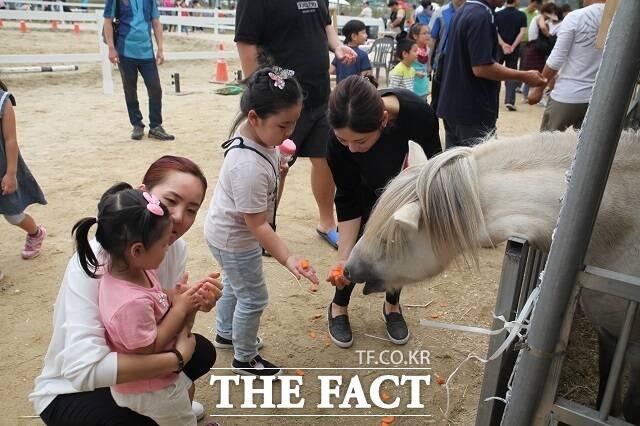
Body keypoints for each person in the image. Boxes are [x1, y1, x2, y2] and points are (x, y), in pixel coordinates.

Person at [30, 156, 222, 425]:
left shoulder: (173, 249)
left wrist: (192, 304)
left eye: (192, 209)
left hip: (137, 358)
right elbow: (82, 369)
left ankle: (166, 401)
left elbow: (169, 321)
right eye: (170, 201)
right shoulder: (95, 263)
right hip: (72, 388)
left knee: (201, 350)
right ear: (143, 195)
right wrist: (176, 359)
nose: (179, 217)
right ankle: (157, 408)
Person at [205, 68, 319, 376]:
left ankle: (226, 332)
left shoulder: (256, 137)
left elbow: (265, 205)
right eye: (283, 124)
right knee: (254, 297)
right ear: (254, 118)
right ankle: (244, 357)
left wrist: (279, 170)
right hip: (236, 239)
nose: (290, 131)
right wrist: (288, 258)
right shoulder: (247, 165)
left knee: (234, 283)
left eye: (294, 122)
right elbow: (258, 224)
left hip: (224, 232)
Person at [325, 75, 442, 348]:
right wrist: (343, 257)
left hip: (406, 192)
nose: (352, 148)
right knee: (356, 252)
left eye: (361, 142)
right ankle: (338, 307)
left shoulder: (418, 116)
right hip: (364, 193)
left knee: (400, 246)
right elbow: (347, 196)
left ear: (384, 120)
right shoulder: (337, 139)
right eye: (344, 141)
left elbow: (435, 164)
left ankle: (392, 306)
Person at [72, 184, 202, 425]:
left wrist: (174, 295)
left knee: (184, 396)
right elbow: (148, 347)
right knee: (181, 420)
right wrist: (181, 308)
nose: (167, 249)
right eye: (163, 245)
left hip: (154, 380)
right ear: (137, 250)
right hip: (151, 388)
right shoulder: (129, 303)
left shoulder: (133, 269)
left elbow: (155, 295)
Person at [234, 0, 357, 250]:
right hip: (282, 101)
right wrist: (260, 93)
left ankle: (326, 223)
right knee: (276, 164)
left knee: (325, 158)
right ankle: (264, 228)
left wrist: (337, 47)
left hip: (320, 93)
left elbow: (325, 25)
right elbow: (246, 42)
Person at [436, 0, 546, 148]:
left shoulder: (464, 10)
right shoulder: (481, 15)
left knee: (456, 166)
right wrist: (523, 76)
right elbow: (481, 67)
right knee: (478, 165)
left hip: (455, 104)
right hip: (472, 109)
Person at [103, 0, 175, 141]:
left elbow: (156, 22)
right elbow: (107, 22)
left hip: (147, 53)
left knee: (155, 89)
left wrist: (160, 48)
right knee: (130, 89)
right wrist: (111, 48)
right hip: (125, 51)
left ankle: (155, 126)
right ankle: (137, 124)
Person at [529, 0, 605, 131]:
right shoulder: (622, 19)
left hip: (568, 96)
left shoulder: (576, 17)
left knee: (550, 147)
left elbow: (556, 59)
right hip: (602, 100)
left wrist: (538, 89)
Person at [0, 79, 47, 285]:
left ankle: (35, 233)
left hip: (2, 168)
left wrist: (11, 174)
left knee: (13, 216)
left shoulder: (3, 101)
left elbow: (11, 140)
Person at [428, 0, 465, 110]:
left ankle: (451, 126)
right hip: (443, 61)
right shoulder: (440, 12)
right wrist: (428, 63)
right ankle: (433, 125)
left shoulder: (471, 11)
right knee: (437, 100)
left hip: (462, 62)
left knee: (456, 99)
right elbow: (432, 39)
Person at [496, 0, 528, 111]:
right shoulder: (521, 15)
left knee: (495, 73)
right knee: (512, 74)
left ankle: (493, 98)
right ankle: (510, 101)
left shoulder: (498, 14)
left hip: (499, 48)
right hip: (513, 50)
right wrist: (513, 46)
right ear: (515, 1)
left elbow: (495, 31)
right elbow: (522, 32)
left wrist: (503, 44)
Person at [329, 20, 372, 84]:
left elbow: (331, 70)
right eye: (363, 33)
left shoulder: (340, 54)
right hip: (355, 91)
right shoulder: (363, 55)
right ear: (354, 36)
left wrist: (343, 72)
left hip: (340, 90)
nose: (366, 35)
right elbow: (367, 76)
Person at [408, 23, 431, 99]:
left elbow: (427, 68)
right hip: (412, 89)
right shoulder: (410, 51)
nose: (428, 35)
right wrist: (416, 73)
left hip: (423, 88)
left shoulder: (427, 50)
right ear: (415, 36)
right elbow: (404, 67)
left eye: (428, 33)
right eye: (424, 33)